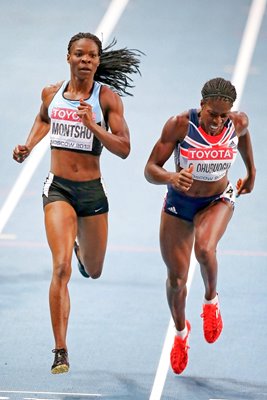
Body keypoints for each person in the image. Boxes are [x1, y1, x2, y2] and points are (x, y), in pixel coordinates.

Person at [13, 32, 142, 374]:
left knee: (93, 270)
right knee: (60, 269)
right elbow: (44, 117)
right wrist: (28, 146)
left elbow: (125, 148)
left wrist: (93, 126)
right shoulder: (52, 94)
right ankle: (60, 350)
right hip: (59, 190)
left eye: (91, 56)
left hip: (91, 193)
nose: (85, 60)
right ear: (68, 57)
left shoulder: (107, 99)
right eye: (79, 54)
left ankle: (79, 249)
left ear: (98, 62)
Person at [144, 77, 256, 375]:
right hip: (180, 204)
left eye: (223, 115)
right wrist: (171, 177)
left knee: (205, 249)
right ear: (201, 104)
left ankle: (210, 302)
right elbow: (150, 169)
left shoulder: (237, 122)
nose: (218, 121)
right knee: (177, 281)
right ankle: (181, 334)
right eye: (212, 114)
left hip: (217, 199)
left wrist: (252, 171)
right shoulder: (180, 125)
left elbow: (243, 136)